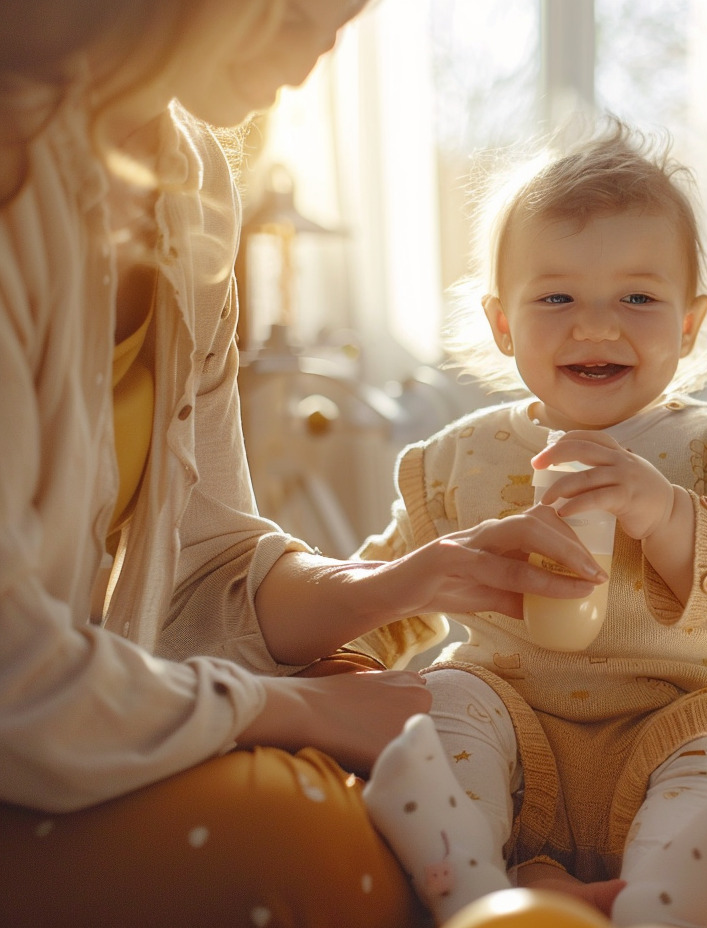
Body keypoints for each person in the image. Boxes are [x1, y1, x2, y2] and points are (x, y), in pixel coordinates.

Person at [0, 3, 608, 925]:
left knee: (423, 733)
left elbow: (204, 566)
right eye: (291, 7)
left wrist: (402, 583)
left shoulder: (192, 181)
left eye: (342, 11)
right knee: (311, 841)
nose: (317, 44)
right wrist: (298, 716)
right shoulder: (17, 176)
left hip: (68, 705)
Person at [357, 121, 707, 927]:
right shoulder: (460, 459)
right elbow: (388, 593)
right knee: (439, 700)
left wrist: (668, 514)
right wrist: (320, 674)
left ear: (688, 323)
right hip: (509, 731)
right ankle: (473, 886)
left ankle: (657, 904)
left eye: (638, 298)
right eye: (556, 297)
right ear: (503, 323)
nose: (596, 326)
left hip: (677, 725)